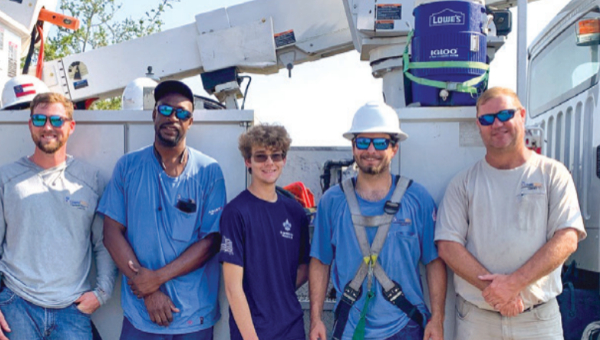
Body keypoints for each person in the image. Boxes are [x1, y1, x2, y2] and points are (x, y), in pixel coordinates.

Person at [435, 87, 587, 340]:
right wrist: (497, 292)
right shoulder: (462, 183)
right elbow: (448, 246)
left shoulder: (553, 174)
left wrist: (515, 283)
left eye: (505, 114)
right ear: (479, 125)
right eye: (487, 119)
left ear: (522, 115)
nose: (496, 124)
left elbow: (568, 237)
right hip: (477, 320)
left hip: (538, 321)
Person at [98, 80, 226, 339]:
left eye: (182, 113)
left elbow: (212, 242)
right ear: (154, 114)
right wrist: (148, 291)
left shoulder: (209, 172)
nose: (173, 118)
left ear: (190, 122)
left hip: (194, 316)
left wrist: (155, 279)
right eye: (166, 110)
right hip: (140, 315)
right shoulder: (128, 167)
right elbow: (111, 233)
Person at [309, 101, 446, 340]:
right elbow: (321, 262)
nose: (370, 150)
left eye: (380, 142)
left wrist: (438, 319)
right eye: (363, 141)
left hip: (406, 326)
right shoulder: (332, 201)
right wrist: (316, 319)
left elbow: (434, 262)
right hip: (351, 329)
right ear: (353, 147)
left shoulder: (418, 199)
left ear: (394, 148)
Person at [0, 92, 117, 340]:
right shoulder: (5, 179)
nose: (48, 127)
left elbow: (104, 242)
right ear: (30, 123)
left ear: (71, 126)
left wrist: (102, 292)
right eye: (40, 119)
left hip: (72, 312)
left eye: (56, 120)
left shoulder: (92, 180)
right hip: (16, 305)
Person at [219, 124, 310, 340]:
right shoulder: (236, 212)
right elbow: (232, 289)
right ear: (248, 161)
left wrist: (274, 292)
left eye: (276, 156)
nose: (269, 162)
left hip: (292, 329)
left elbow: (305, 267)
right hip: (253, 331)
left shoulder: (296, 212)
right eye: (261, 157)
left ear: (284, 160)